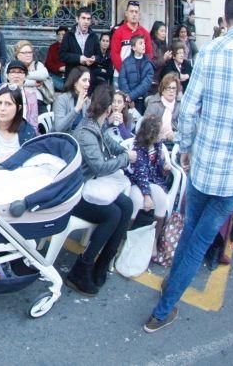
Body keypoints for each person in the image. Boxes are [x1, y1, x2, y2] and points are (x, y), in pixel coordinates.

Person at [144, 0, 233, 333]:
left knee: (191, 232)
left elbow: (188, 109)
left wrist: (186, 148)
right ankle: (163, 309)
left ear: (225, 17)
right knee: (198, 242)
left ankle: (169, 287)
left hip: (203, 167)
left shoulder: (210, 51)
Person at [66, 84, 135, 296]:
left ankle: (102, 264)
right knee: (112, 214)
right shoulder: (87, 132)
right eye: (113, 104)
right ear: (107, 109)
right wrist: (126, 159)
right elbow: (100, 167)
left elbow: (112, 145)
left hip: (90, 185)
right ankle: (80, 269)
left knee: (127, 204)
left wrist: (127, 151)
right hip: (74, 192)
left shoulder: (98, 126)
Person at [125, 113, 173, 255]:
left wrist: (164, 167)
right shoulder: (138, 148)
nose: (162, 136)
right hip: (136, 182)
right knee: (137, 200)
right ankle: (124, 236)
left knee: (162, 200)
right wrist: (146, 196)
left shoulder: (158, 146)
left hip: (152, 181)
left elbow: (157, 170)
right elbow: (141, 174)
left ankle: (154, 240)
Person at [110, 0, 154, 73]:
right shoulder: (118, 32)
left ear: (139, 15)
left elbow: (149, 54)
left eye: (136, 12)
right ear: (126, 13)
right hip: (121, 75)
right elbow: (115, 55)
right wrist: (124, 72)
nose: (134, 14)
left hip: (139, 75)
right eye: (131, 11)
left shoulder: (145, 33)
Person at [0, 61, 39, 128]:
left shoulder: (31, 97)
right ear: (7, 76)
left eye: (20, 72)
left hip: (24, 132)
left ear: (25, 76)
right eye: (13, 72)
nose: (16, 76)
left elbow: (33, 124)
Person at [12, 39, 53, 110]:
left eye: (30, 52)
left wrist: (22, 75)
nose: (28, 55)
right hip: (17, 99)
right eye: (25, 53)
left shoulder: (37, 64)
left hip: (37, 99)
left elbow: (44, 75)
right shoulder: (11, 66)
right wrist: (33, 83)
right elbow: (11, 82)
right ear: (17, 55)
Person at [60, 8, 100, 79]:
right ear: (77, 19)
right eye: (83, 18)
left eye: (88, 19)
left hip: (88, 77)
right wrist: (79, 58)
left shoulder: (94, 36)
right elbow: (62, 55)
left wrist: (94, 59)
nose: (86, 21)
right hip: (72, 77)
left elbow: (99, 56)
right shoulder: (69, 35)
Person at [118, 34, 154, 114]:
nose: (143, 45)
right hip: (128, 101)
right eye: (140, 43)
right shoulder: (126, 62)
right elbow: (122, 80)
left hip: (143, 100)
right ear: (133, 47)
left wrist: (131, 96)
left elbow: (146, 84)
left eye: (144, 43)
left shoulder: (148, 63)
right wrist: (127, 96)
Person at [53, 66, 90, 133]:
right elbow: (59, 128)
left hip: (80, 139)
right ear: (75, 83)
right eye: (84, 80)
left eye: (88, 80)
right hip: (63, 139)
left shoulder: (87, 101)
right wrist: (76, 109)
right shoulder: (61, 99)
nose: (88, 84)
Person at [44, 25, 68, 91]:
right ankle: (64, 88)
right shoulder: (52, 47)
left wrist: (67, 68)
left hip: (68, 76)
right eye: (59, 34)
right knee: (47, 77)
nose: (60, 36)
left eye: (63, 34)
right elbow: (48, 64)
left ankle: (64, 87)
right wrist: (59, 68)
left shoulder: (72, 47)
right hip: (55, 75)